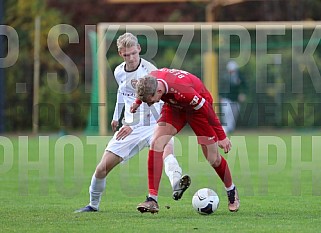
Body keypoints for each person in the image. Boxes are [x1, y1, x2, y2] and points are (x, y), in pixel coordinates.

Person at [75, 33, 190, 213]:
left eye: (133, 53)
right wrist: (116, 116)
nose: (131, 58)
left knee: (166, 151)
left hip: (155, 122)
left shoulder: (149, 71)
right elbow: (123, 93)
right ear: (121, 53)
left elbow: (151, 101)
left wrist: (131, 122)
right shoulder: (118, 71)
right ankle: (93, 205)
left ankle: (177, 183)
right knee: (101, 168)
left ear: (139, 49)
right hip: (130, 128)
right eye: (126, 54)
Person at [131, 68, 240, 214]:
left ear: (158, 92)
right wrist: (138, 102)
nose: (149, 104)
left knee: (213, 159)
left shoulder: (183, 91)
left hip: (199, 111)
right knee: (156, 142)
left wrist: (222, 136)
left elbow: (207, 109)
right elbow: (144, 88)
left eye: (149, 101)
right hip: (174, 107)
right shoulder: (151, 81)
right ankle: (152, 199)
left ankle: (231, 190)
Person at [219, 60, 246, 134]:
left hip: (235, 99)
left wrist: (243, 94)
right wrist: (220, 96)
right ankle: (226, 128)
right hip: (226, 99)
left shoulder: (239, 77)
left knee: (234, 115)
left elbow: (245, 86)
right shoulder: (225, 77)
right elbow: (221, 87)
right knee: (227, 112)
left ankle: (230, 128)